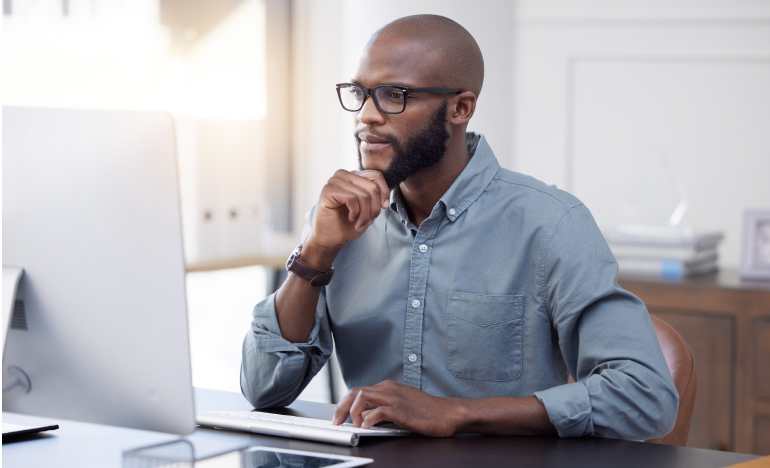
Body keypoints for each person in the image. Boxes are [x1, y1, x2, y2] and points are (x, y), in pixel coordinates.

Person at [241, 14, 678, 440]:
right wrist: (315, 253)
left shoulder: (551, 223)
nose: (367, 115)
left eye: (393, 95)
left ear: (460, 108)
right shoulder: (337, 222)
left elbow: (645, 396)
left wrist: (459, 413)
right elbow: (263, 389)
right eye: (361, 93)